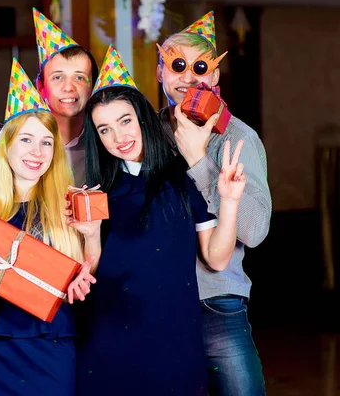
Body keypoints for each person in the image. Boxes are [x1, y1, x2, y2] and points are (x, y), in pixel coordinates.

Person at [75, 46, 247, 394]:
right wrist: (90, 235)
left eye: (125, 121)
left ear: (142, 119)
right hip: (109, 339)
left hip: (175, 338)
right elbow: (88, 276)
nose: (119, 137)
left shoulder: (182, 180)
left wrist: (228, 201)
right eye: (104, 130)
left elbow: (216, 257)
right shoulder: (94, 193)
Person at [0, 58, 97, 396]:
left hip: (52, 343)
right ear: (6, 145)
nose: (37, 151)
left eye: (46, 142)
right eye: (26, 140)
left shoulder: (69, 201)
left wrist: (89, 249)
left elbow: (85, 272)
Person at [156, 11, 270, 395]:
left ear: (215, 76)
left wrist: (199, 162)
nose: (188, 76)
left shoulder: (239, 137)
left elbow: (254, 231)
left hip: (216, 301)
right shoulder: (143, 134)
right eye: (177, 65)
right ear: (161, 73)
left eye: (200, 67)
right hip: (156, 302)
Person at [33, 8, 98, 186]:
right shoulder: (18, 141)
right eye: (58, 77)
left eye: (79, 77)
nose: (69, 87)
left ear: (93, 87)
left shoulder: (108, 139)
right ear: (41, 87)